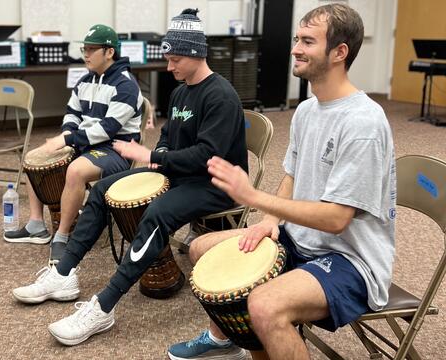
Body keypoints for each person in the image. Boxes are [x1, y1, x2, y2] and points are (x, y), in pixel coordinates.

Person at [168, 4, 396, 360]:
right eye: (296, 39)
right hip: (298, 237)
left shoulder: (363, 123)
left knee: (264, 305)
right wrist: (269, 223)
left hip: (351, 259)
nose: (294, 49)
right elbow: (292, 174)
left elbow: (336, 219)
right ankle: (233, 343)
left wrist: (254, 197)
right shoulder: (307, 110)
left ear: (339, 53)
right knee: (201, 249)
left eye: (307, 41)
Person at [11, 9, 248, 349]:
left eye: (176, 59)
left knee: (155, 216)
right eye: (168, 59)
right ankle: (63, 273)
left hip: (215, 184)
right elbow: (168, 137)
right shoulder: (181, 91)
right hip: (181, 175)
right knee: (104, 191)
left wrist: (153, 157)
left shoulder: (220, 96)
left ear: (197, 54)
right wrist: (159, 156)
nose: (169, 67)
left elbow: (205, 156)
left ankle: (103, 306)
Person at [3, 24, 143, 264]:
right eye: (84, 49)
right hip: (86, 144)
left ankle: (63, 235)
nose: (85, 54)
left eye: (91, 49)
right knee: (33, 158)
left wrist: (66, 139)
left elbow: (107, 129)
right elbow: (72, 112)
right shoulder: (85, 80)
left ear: (109, 52)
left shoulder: (126, 85)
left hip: (116, 150)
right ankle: (37, 224)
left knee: (76, 171)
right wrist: (68, 132)